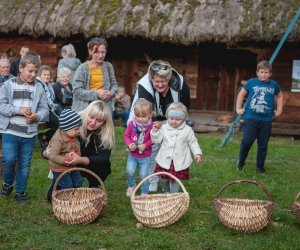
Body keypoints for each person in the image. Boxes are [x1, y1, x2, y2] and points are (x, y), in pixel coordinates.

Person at [128, 60, 190, 192]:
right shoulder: (144, 87)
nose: (160, 84)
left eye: (163, 81)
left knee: (171, 148)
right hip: (151, 119)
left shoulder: (180, 84)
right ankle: (153, 180)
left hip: (173, 120)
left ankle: (169, 179)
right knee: (153, 148)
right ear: (151, 79)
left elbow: (184, 109)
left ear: (169, 79)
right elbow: (145, 114)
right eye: (157, 82)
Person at [0, 51, 49, 203]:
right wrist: (18, 110)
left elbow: (45, 109)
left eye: (36, 71)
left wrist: (37, 116)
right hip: (10, 131)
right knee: (8, 160)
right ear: (20, 68)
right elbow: (1, 105)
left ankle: (20, 191)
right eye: (30, 71)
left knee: (25, 165)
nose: (33, 74)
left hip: (29, 135)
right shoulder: (8, 85)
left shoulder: (39, 88)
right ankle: (8, 184)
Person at [44, 100, 115, 188]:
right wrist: (46, 152)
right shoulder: (72, 121)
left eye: (99, 120)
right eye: (91, 117)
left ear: (104, 123)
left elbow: (103, 158)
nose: (93, 123)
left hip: (87, 162)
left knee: (104, 165)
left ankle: (94, 185)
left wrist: (80, 159)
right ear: (87, 113)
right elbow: (52, 143)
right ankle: (59, 182)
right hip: (65, 163)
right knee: (61, 191)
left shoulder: (105, 132)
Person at [236, 60, 283, 175]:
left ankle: (260, 168)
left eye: (266, 72)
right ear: (257, 72)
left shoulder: (274, 85)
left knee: (263, 145)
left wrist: (279, 110)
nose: (264, 75)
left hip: (266, 120)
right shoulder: (251, 83)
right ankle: (240, 162)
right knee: (247, 142)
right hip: (251, 118)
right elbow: (241, 94)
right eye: (261, 72)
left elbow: (280, 96)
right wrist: (238, 108)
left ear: (270, 73)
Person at [150, 102, 202, 193]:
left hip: (179, 161)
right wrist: (155, 130)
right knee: (163, 179)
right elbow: (156, 140)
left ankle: (174, 196)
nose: (174, 121)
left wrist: (197, 153)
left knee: (175, 181)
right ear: (167, 117)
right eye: (171, 118)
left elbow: (193, 142)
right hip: (164, 160)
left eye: (177, 119)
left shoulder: (187, 130)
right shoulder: (164, 128)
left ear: (183, 119)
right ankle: (167, 191)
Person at [72, 37, 118, 113]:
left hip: (105, 110)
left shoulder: (109, 66)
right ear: (90, 52)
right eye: (97, 52)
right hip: (86, 111)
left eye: (103, 52)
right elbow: (76, 91)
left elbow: (114, 85)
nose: (100, 55)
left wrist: (111, 93)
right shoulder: (82, 68)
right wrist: (96, 93)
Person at [46, 109, 83, 203]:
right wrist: (65, 159)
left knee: (78, 181)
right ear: (66, 127)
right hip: (59, 167)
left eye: (79, 128)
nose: (78, 131)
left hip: (71, 164)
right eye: (76, 129)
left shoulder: (73, 134)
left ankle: (75, 197)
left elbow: (77, 146)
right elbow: (52, 155)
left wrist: (77, 156)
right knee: (67, 184)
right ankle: (67, 202)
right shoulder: (58, 139)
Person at [124, 98, 154, 197]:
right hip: (133, 155)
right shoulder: (132, 124)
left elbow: (154, 139)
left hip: (145, 156)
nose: (140, 119)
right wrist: (129, 145)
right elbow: (126, 136)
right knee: (129, 171)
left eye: (143, 116)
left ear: (150, 114)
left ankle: (144, 191)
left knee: (143, 175)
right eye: (137, 116)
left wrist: (146, 145)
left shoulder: (152, 126)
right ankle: (131, 185)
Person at [36, 65, 62, 150]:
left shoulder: (47, 85)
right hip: (41, 110)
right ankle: (45, 137)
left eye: (48, 75)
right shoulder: (38, 84)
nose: (47, 76)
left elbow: (51, 99)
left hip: (50, 109)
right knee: (59, 123)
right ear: (40, 75)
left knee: (63, 120)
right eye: (44, 74)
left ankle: (44, 136)